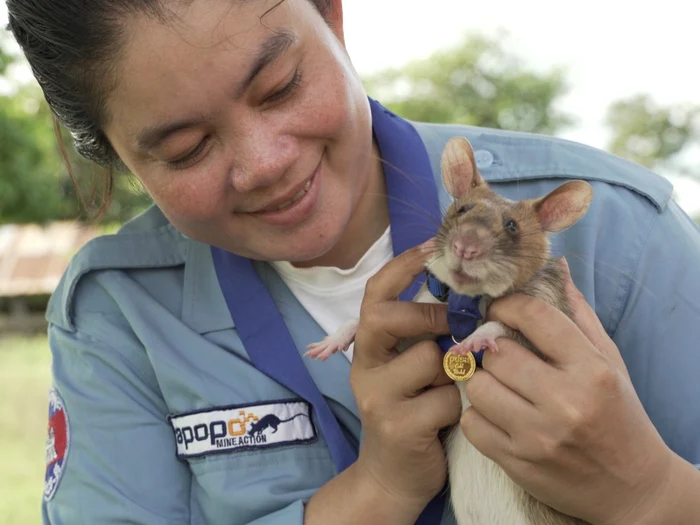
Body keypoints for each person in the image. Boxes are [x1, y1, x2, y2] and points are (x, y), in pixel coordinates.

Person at [6, 0, 700, 523]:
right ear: (113, 154)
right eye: (187, 148)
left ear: (332, 15)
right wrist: (379, 489)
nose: (266, 163)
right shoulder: (117, 311)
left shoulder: (617, 232)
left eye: (279, 86)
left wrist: (650, 491)